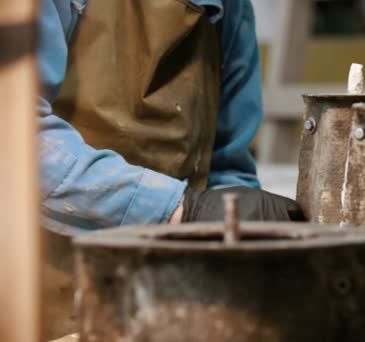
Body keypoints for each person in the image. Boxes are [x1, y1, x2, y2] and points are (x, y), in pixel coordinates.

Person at [39, 0, 303, 339]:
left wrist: (237, 223)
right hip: (47, 295)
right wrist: (185, 211)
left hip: (172, 303)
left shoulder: (232, 10)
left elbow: (224, 165)